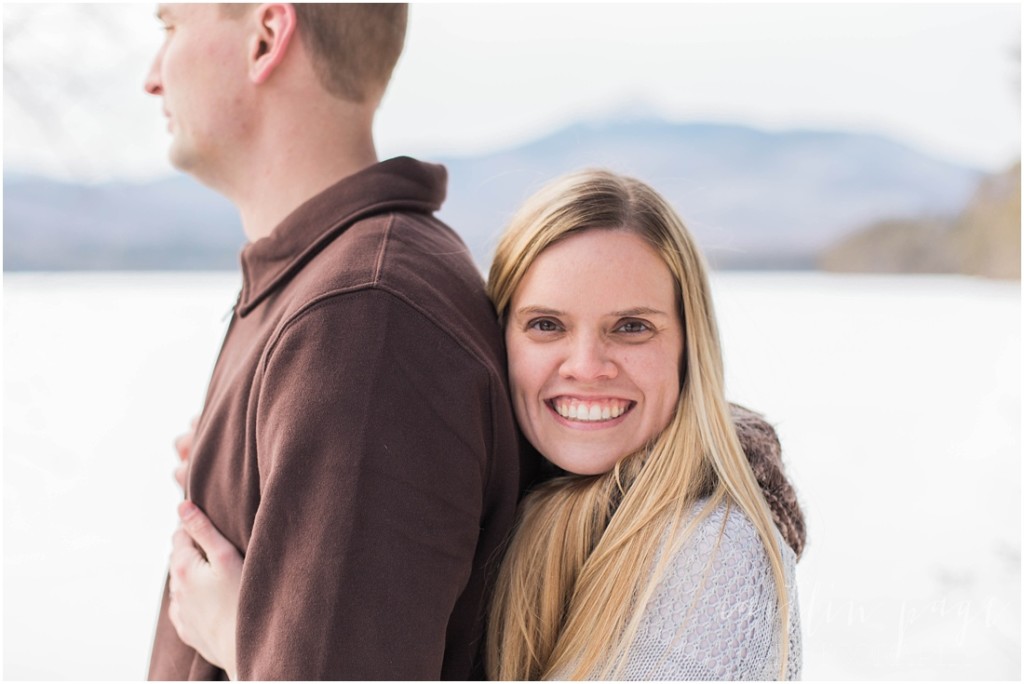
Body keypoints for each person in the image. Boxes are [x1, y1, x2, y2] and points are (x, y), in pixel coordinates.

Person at [166, 169, 806, 679]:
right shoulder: (521, 508)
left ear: (690, 348)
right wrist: (259, 463)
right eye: (546, 325)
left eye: (631, 327)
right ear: (498, 344)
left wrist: (245, 644)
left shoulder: (713, 552)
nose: (587, 366)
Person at [143, 4, 531, 679]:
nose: (151, 78)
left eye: (170, 27)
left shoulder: (365, 317)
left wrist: (241, 639)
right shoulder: (322, 288)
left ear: (266, 37)